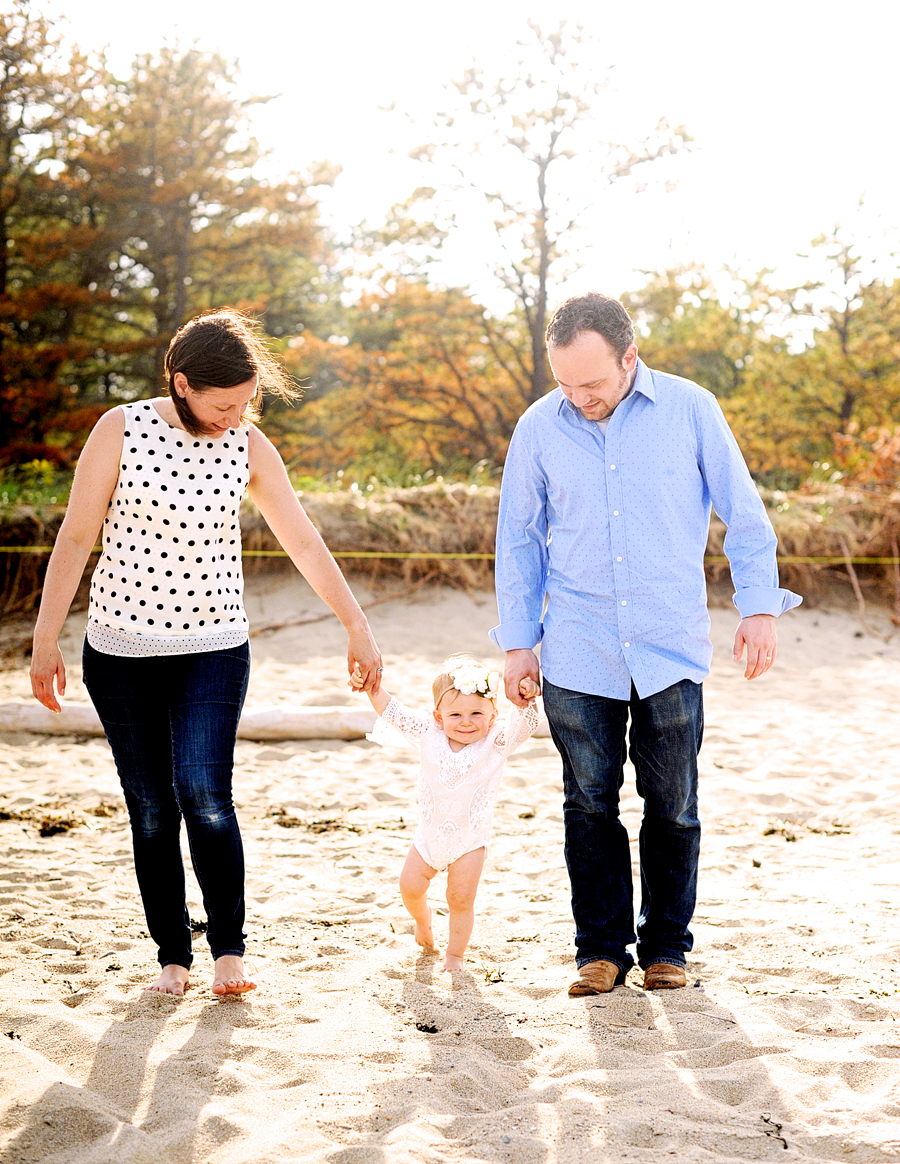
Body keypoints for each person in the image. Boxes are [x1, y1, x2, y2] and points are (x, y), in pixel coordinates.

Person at [30, 309, 383, 998]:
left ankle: (229, 951)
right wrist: (45, 640)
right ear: (182, 383)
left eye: (246, 403)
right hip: (120, 648)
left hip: (214, 645)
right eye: (224, 404)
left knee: (204, 793)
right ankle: (172, 956)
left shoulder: (248, 447)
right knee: (152, 806)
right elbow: (75, 538)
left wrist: (357, 625)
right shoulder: (120, 429)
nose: (235, 417)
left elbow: (304, 542)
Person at [491, 292, 801, 995]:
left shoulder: (693, 409)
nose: (578, 397)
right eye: (564, 382)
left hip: (670, 643)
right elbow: (517, 541)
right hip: (575, 646)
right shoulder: (539, 428)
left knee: (674, 804)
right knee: (588, 804)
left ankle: (667, 948)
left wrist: (759, 608)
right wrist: (518, 642)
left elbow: (745, 518)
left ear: (630, 357)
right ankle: (599, 950)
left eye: (592, 383)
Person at [352, 654, 539, 972]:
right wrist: (372, 686)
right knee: (409, 888)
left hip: (470, 840)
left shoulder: (496, 740)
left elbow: (524, 724)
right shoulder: (428, 731)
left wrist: (526, 696)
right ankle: (422, 921)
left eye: (477, 713)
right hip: (429, 836)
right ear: (438, 716)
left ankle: (454, 955)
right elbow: (393, 713)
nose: (466, 721)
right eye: (455, 714)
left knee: (461, 899)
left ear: (493, 715)